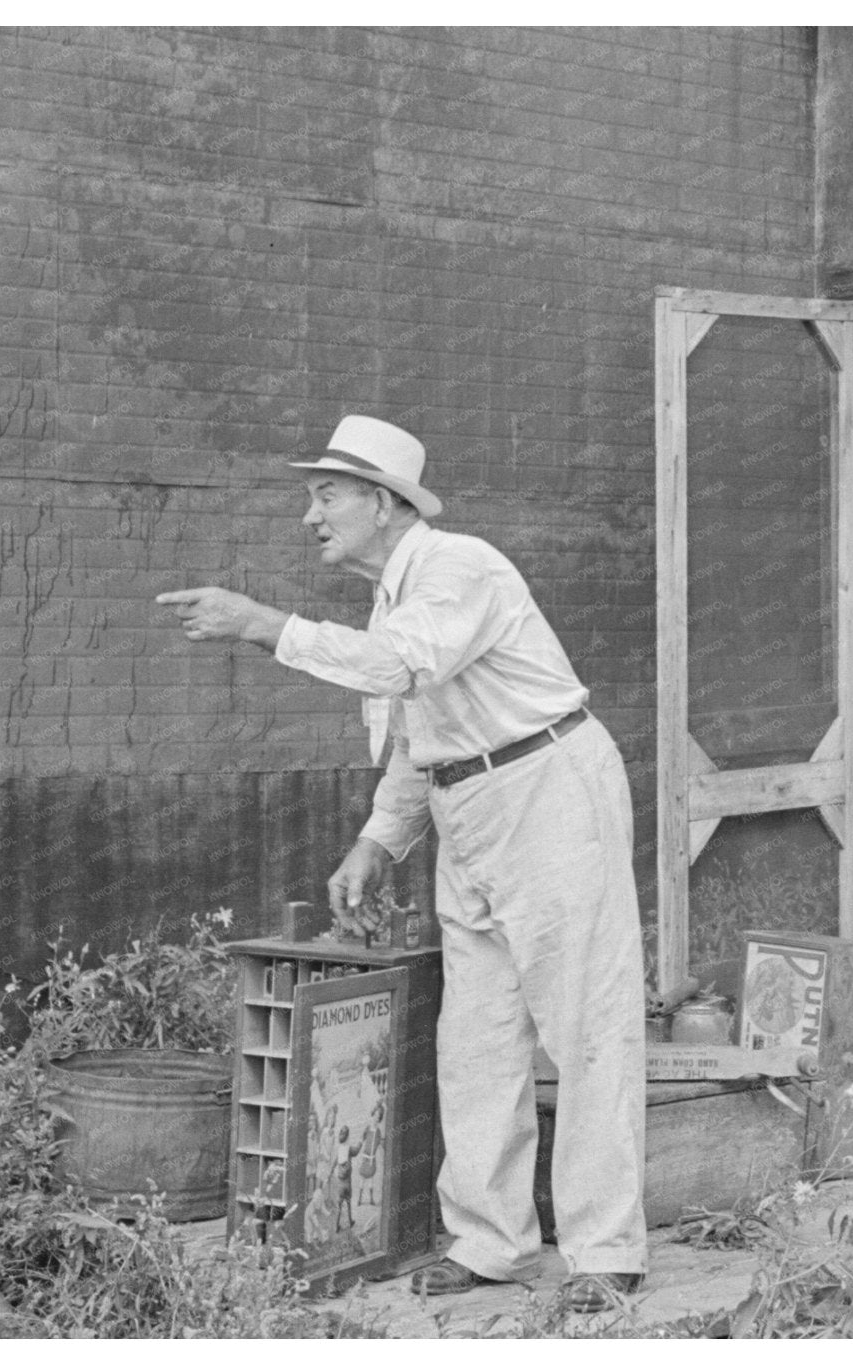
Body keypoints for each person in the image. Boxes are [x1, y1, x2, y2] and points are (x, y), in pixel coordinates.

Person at [156, 415, 645, 1313]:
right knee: (477, 1038)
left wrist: (263, 625)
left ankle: (606, 1250)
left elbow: (396, 669)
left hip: (547, 788)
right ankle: (492, 1242)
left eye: (327, 495)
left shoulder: (460, 566)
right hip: (471, 804)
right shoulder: (397, 596)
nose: (310, 515)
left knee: (586, 1025)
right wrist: (378, 840)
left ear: (383, 503)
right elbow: (420, 735)